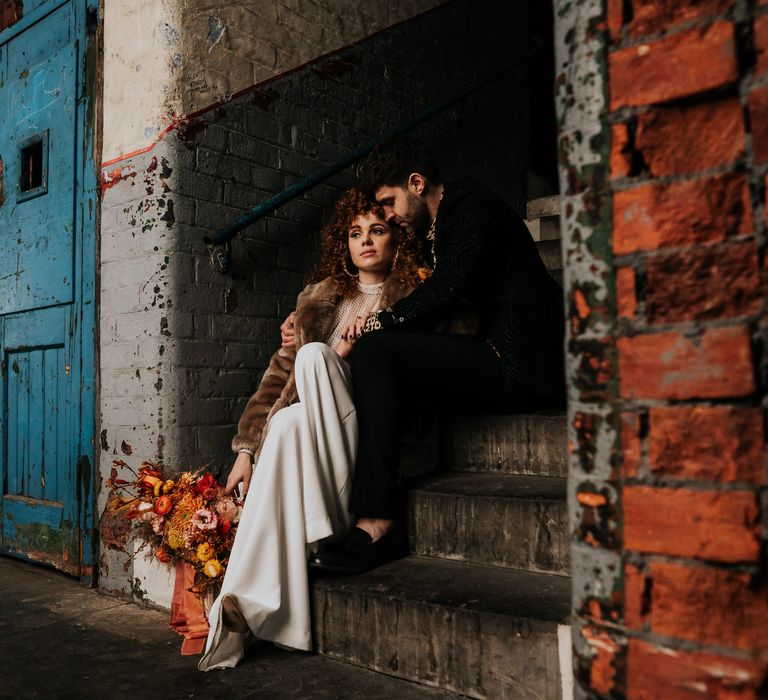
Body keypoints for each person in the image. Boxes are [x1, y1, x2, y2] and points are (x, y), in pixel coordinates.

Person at [309, 135, 565, 574]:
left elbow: (448, 288)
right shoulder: (438, 225)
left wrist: (378, 321)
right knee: (384, 360)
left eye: (388, 203)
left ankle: (377, 522)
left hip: (520, 365)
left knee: (378, 350)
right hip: (494, 353)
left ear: (416, 182)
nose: (387, 215)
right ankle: (375, 506)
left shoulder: (469, 206)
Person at [198, 188, 425, 671]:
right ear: (343, 243)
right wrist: (245, 452)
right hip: (318, 450)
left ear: (396, 240)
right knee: (287, 419)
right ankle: (242, 608)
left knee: (316, 357)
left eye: (377, 230)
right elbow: (276, 379)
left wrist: (348, 354)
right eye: (355, 233)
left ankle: (322, 524)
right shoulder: (317, 301)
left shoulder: (417, 295)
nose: (365, 241)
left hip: (369, 452)